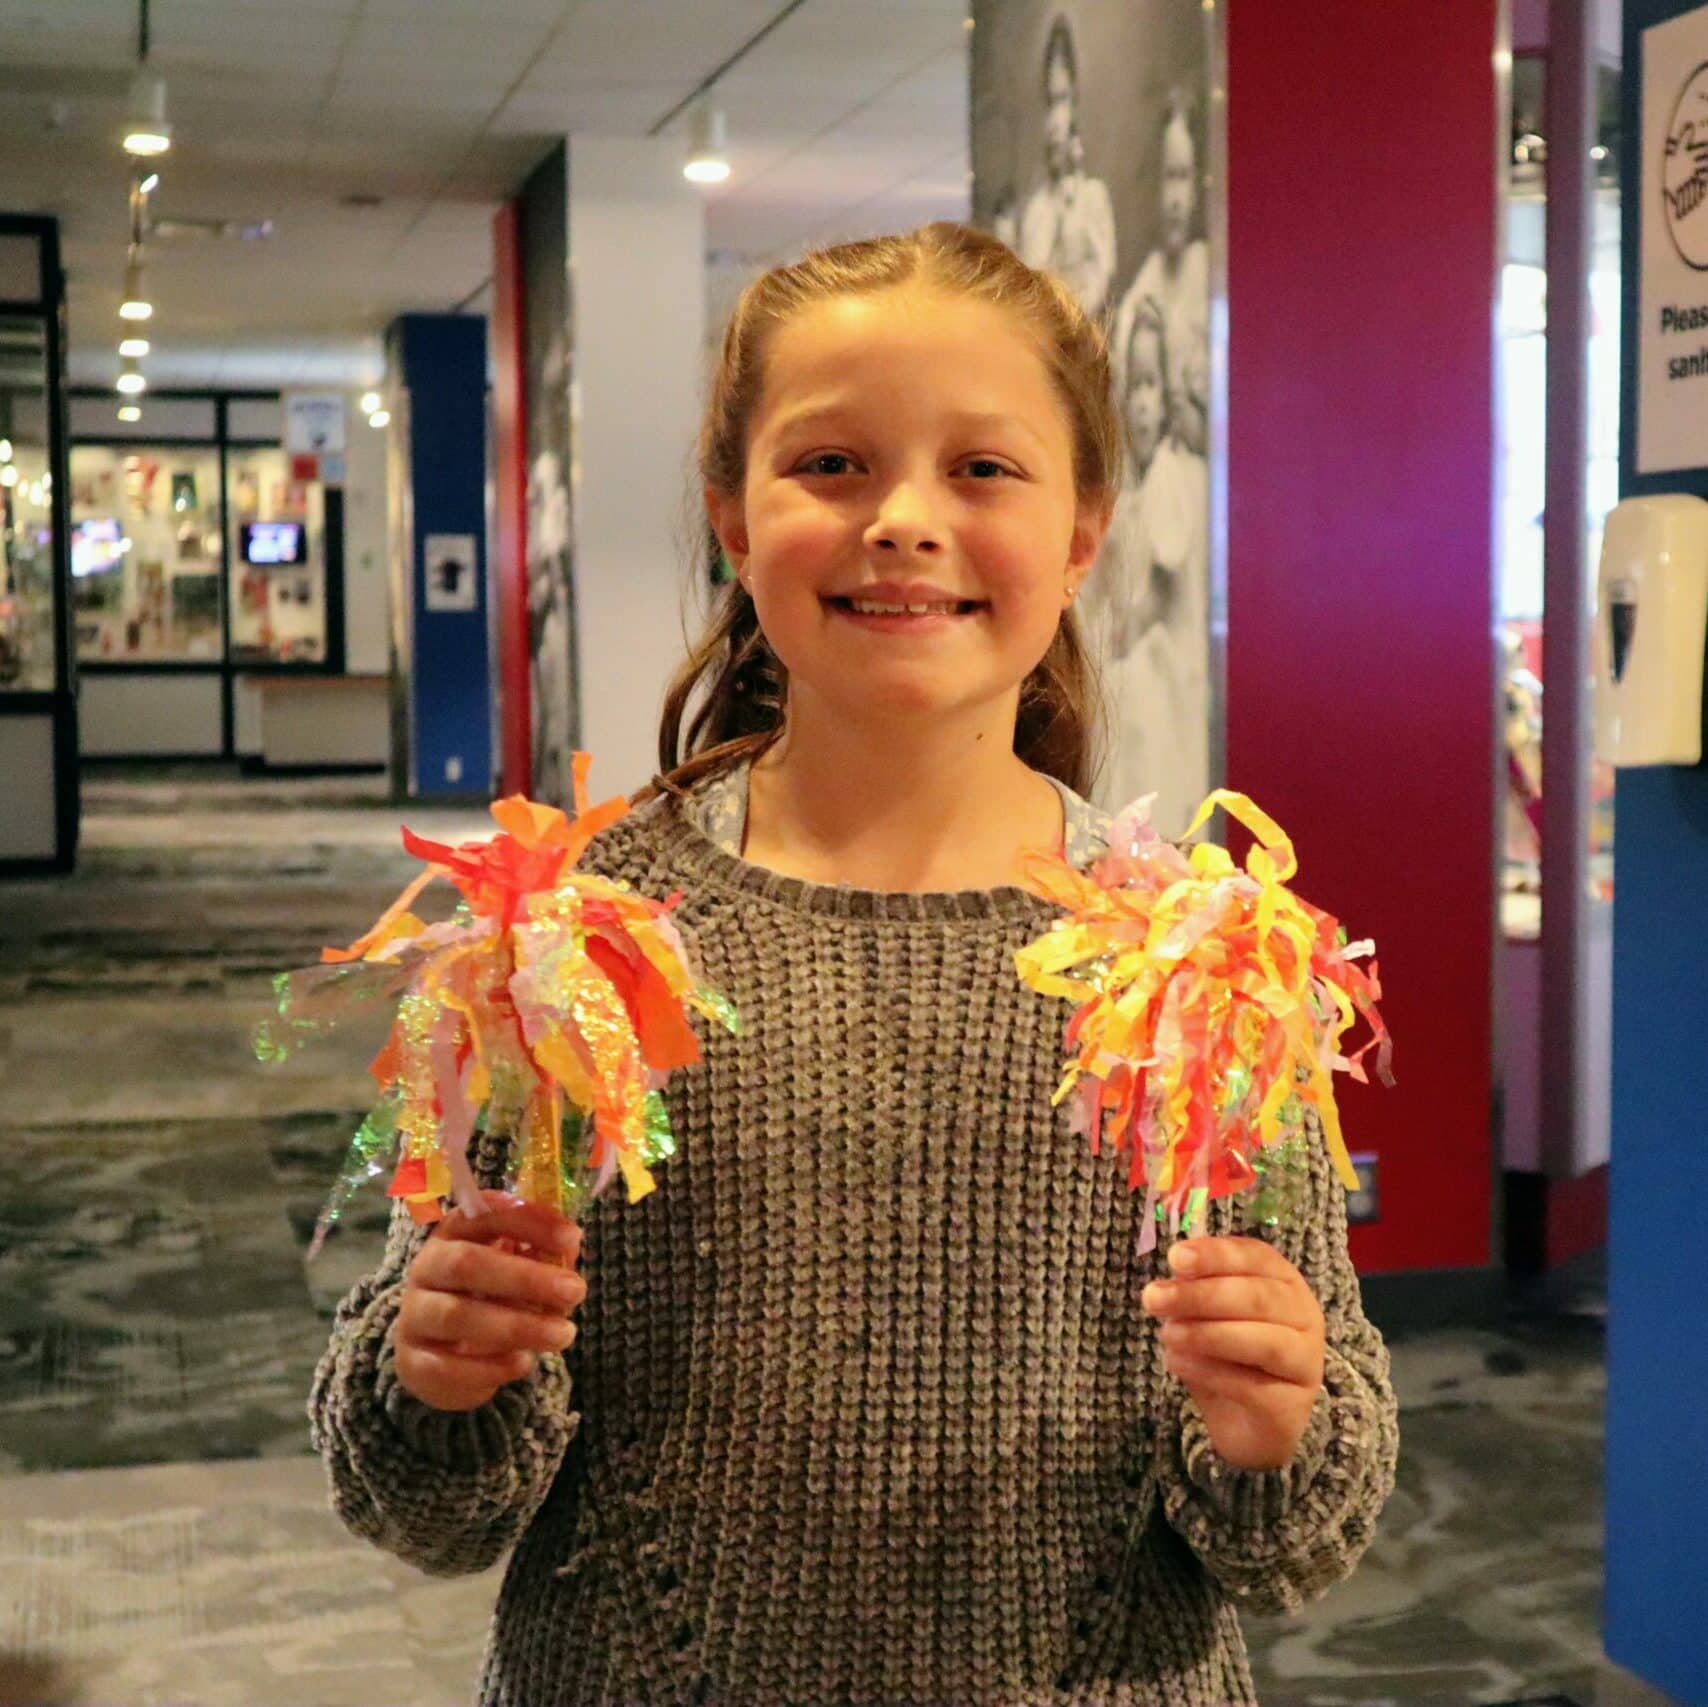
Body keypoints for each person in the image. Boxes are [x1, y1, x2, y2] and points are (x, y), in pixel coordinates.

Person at [310, 222, 1397, 1707]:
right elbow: (422, 1500)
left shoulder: (1204, 961)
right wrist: (436, 1373)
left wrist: (1277, 1426)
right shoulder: (568, 939)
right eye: (831, 464)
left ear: (1083, 531)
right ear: (731, 517)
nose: (902, 519)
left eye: (983, 468)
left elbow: (1306, 1525)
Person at [1092, 302, 1211, 835]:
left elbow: (1162, 588)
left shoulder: (1170, 478)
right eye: (1134, 386)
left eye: (1151, 386)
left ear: (1166, 398)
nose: (1142, 404)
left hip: (1162, 679)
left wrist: (1123, 634)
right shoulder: (1131, 491)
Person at [1110, 90, 1209, 458]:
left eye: (1183, 177)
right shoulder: (1141, 293)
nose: (1175, 198)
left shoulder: (1209, 276)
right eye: (1169, 177)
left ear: (1197, 187)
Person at [1018, 13, 1117, 319]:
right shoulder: (1037, 209)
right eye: (1051, 102)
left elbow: (1103, 270)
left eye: (1062, 99)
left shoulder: (1093, 197)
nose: (1056, 119)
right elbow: (1032, 282)